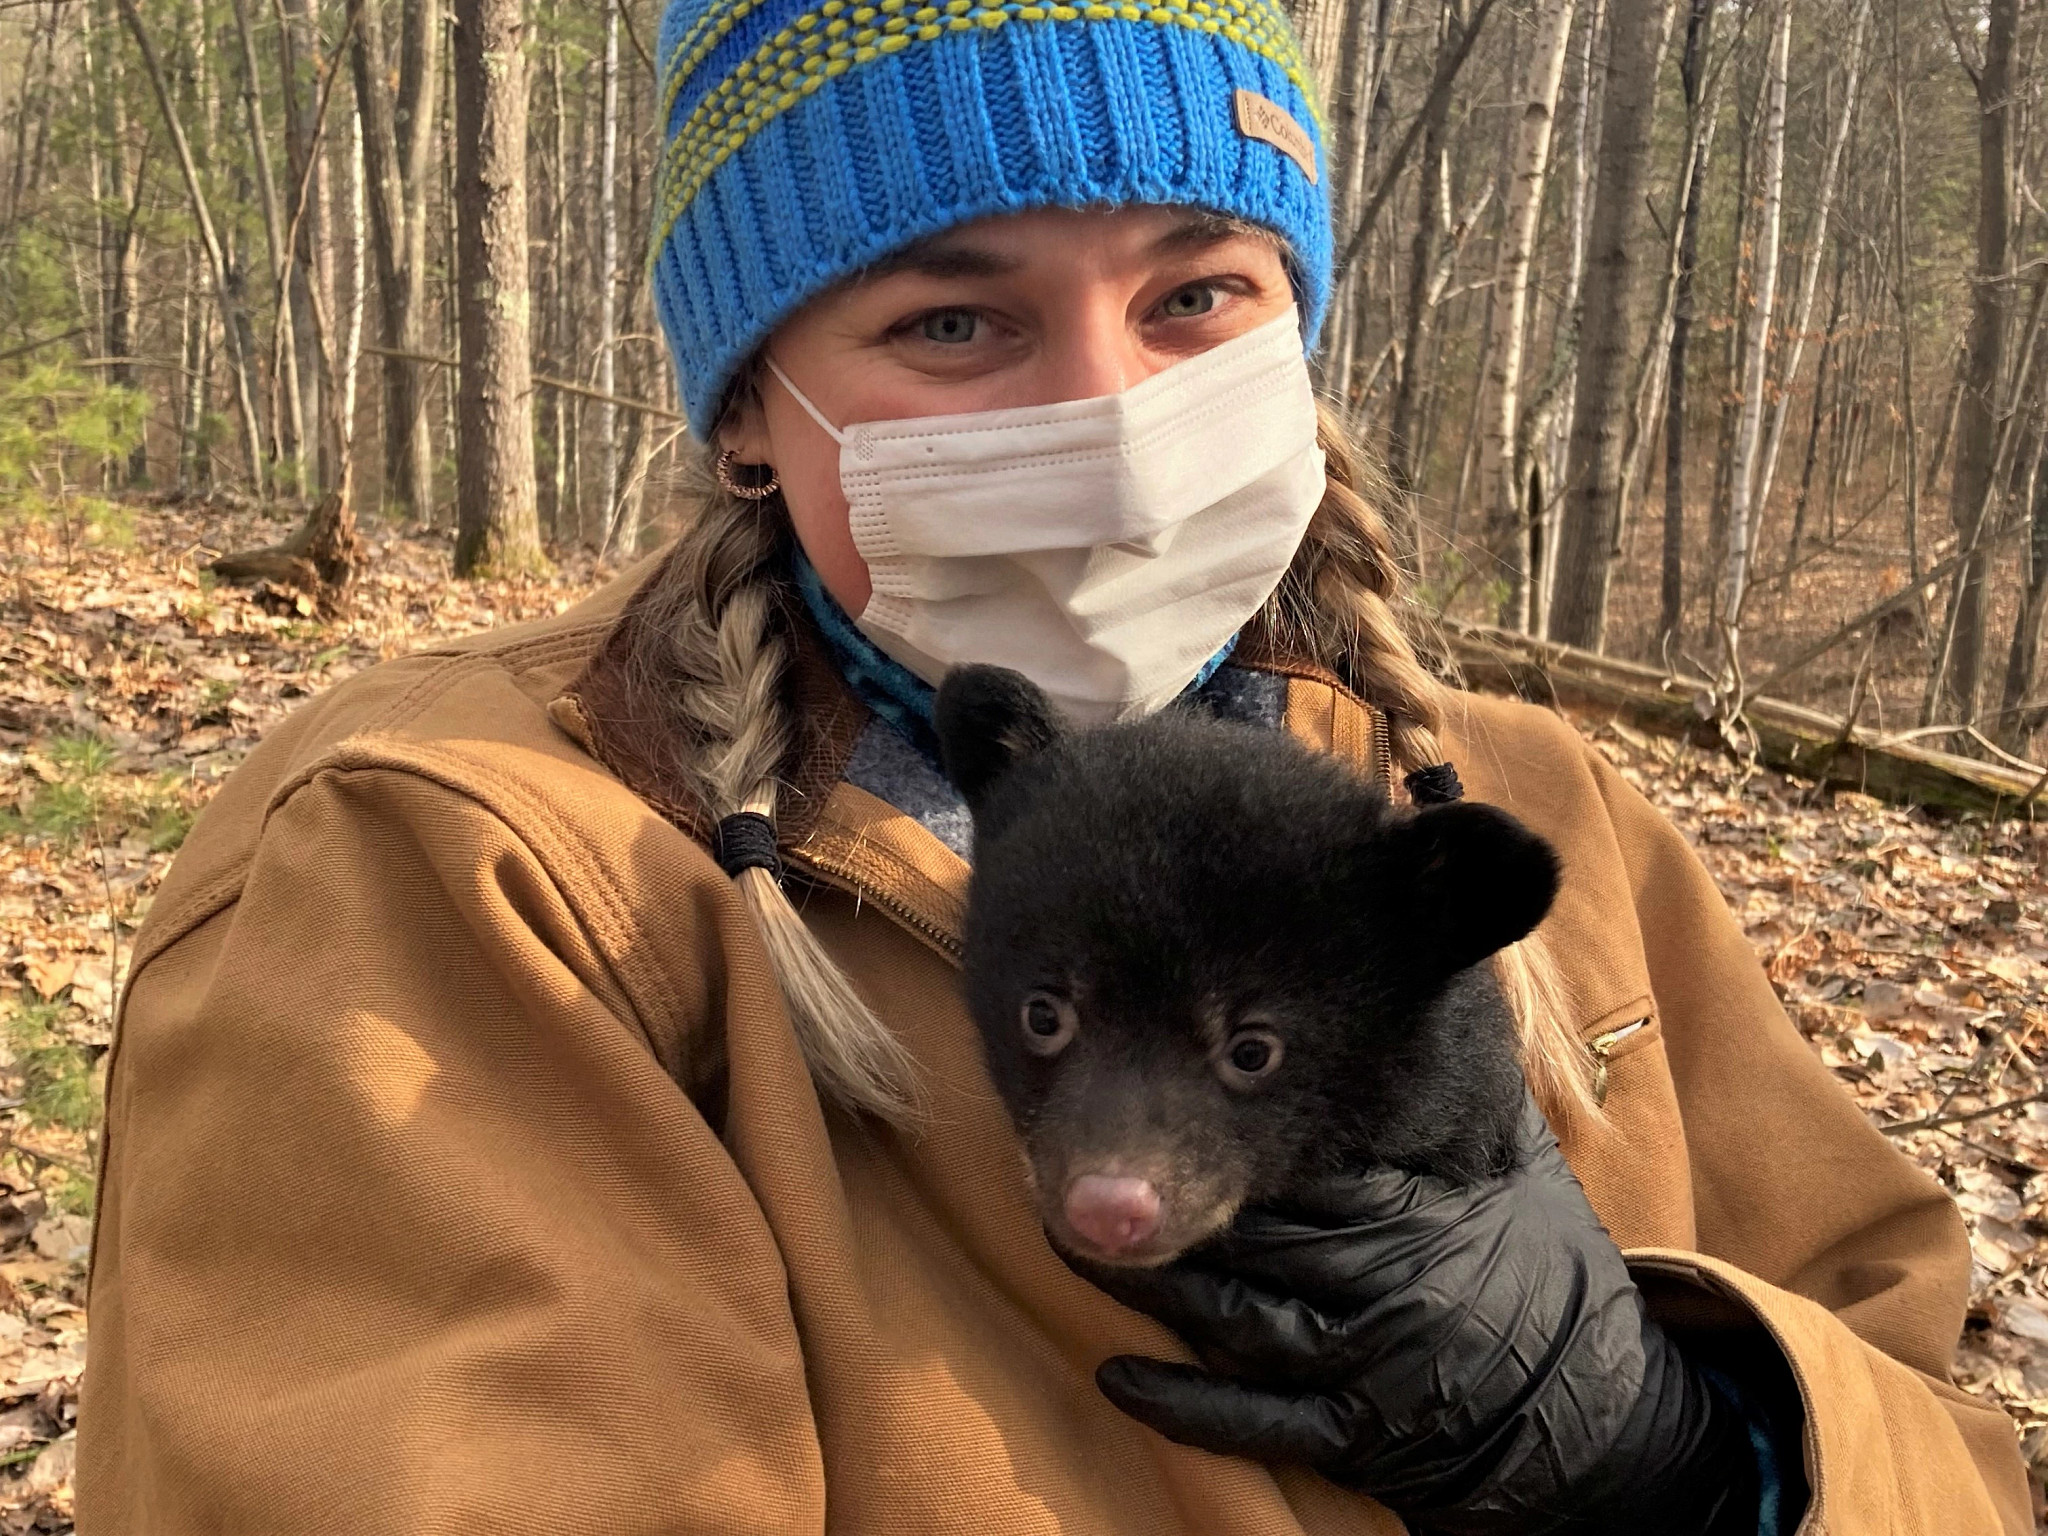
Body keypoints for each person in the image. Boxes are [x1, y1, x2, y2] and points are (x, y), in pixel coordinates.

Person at [76, 0, 2028, 1527]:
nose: (1111, 418)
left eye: (1193, 297)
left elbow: (1933, 1422)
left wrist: (1685, 1448)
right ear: (753, 399)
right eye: (951, 317)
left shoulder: (1521, 811)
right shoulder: (473, 862)